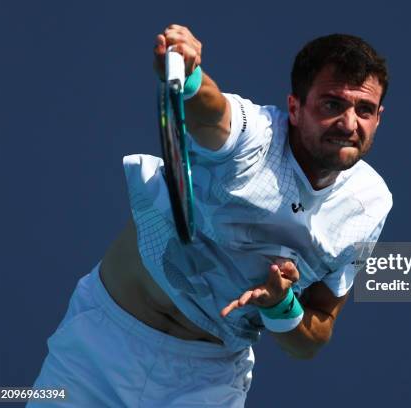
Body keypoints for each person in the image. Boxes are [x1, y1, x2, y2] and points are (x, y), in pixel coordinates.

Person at [29, 24, 392, 407]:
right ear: (295, 108)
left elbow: (313, 337)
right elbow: (211, 110)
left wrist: (279, 306)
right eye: (332, 104)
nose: (350, 124)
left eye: (364, 110)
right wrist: (188, 75)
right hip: (99, 348)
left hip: (208, 382)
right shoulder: (256, 135)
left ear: (379, 117)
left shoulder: (369, 205)